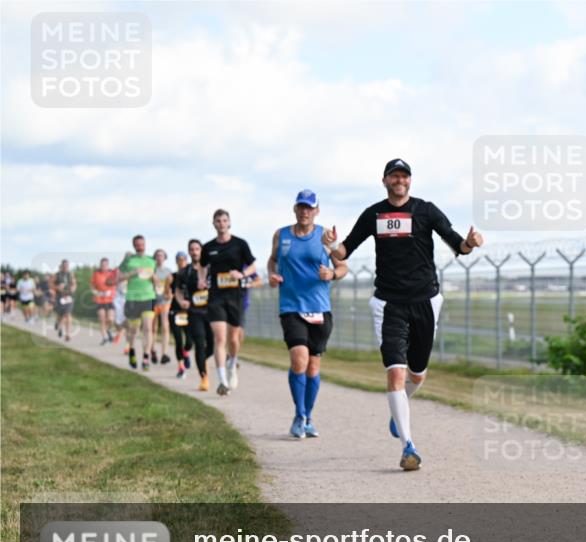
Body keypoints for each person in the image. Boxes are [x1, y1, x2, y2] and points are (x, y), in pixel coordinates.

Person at [323, 159, 484, 470]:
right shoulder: (374, 214)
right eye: (394, 176)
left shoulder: (426, 210)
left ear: (410, 181)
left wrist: (470, 243)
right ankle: (408, 446)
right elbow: (345, 251)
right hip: (388, 304)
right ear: (384, 180)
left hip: (426, 300)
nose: (399, 181)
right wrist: (330, 246)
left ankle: (401, 409)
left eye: (404, 176)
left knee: (418, 373)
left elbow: (456, 243)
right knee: (396, 371)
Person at [268, 189, 348, 439]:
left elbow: (343, 266)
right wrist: (272, 274)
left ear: (316, 211)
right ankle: (299, 415)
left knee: (313, 367)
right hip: (291, 306)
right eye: (301, 207)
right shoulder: (281, 235)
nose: (305, 211)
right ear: (295, 209)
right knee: (299, 359)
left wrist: (332, 274)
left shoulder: (326, 236)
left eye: (309, 207)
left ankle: (308, 417)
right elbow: (272, 261)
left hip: (320, 308)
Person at [198, 210, 255, 396]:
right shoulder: (208, 247)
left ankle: (232, 362)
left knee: (233, 338)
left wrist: (243, 274)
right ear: (213, 224)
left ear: (229, 223)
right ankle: (222, 381)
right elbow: (202, 266)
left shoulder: (240, 244)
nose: (221, 224)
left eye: (224, 220)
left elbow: (253, 264)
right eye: (218, 221)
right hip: (216, 297)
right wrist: (201, 279)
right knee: (220, 338)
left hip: (235, 296)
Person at [118, 235, 157, 371]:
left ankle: (146, 357)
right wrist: (133, 272)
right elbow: (119, 277)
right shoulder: (129, 260)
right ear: (134, 246)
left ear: (145, 244)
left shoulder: (152, 261)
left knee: (147, 328)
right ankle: (132, 350)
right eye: (137, 244)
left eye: (142, 244)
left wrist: (154, 278)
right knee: (133, 331)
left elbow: (157, 281)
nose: (140, 246)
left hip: (149, 297)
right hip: (132, 298)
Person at [180, 240, 215, 391]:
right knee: (200, 343)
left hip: (212, 311)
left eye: (197, 249)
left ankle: (202, 361)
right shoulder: (185, 271)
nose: (195, 252)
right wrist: (182, 301)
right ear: (189, 252)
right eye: (192, 249)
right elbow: (178, 291)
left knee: (212, 345)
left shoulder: (210, 268)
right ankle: (204, 377)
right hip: (194, 313)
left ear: (202, 251)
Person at [168, 251, 194, 378]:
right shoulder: (172, 276)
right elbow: (165, 293)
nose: (181, 261)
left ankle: (185, 352)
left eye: (183, 259)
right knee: (178, 340)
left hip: (188, 312)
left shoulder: (191, 275)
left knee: (189, 341)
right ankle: (181, 367)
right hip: (175, 311)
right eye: (179, 259)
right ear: (176, 261)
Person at [151, 249, 173, 364]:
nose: (159, 257)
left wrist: (170, 294)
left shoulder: (169, 272)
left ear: (165, 257)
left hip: (164, 302)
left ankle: (164, 353)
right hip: (153, 302)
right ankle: (153, 350)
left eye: (162, 255)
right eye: (157, 255)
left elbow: (171, 288)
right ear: (155, 257)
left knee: (165, 326)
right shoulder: (151, 271)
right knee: (153, 328)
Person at [91, 258, 117, 344]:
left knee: (111, 319)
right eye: (102, 265)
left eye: (105, 265)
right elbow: (92, 285)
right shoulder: (96, 273)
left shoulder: (111, 273)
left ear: (108, 265)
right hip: (99, 300)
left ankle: (108, 330)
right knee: (102, 318)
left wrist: (110, 292)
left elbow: (114, 284)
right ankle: (105, 337)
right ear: (100, 265)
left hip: (109, 299)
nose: (104, 266)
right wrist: (96, 292)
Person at [51, 260, 77, 341]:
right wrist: (57, 287)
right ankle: (58, 325)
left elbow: (74, 284)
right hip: (59, 297)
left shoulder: (70, 274)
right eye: (64, 266)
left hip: (69, 297)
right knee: (60, 315)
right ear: (61, 266)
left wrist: (73, 288)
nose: (65, 267)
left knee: (68, 314)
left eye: (67, 266)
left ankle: (68, 334)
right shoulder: (57, 275)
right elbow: (51, 284)